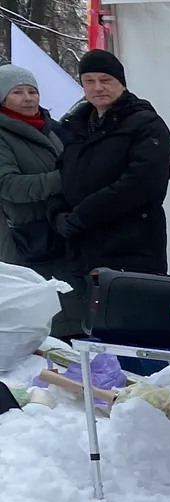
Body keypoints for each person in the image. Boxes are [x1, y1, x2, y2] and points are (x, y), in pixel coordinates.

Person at [54, 50, 170, 276]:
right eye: (89, 81)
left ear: (122, 83)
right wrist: (57, 214)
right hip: (80, 249)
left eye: (106, 80)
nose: (98, 87)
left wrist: (83, 215)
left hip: (130, 248)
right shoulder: (74, 127)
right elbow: (60, 175)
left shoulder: (146, 124)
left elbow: (143, 183)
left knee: (128, 310)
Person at [0, 65, 82, 338]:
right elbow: (9, 186)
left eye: (32, 91)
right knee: (45, 320)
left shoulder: (54, 129)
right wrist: (66, 178)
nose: (28, 98)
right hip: (27, 241)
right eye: (18, 92)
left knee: (71, 310)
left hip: (60, 232)